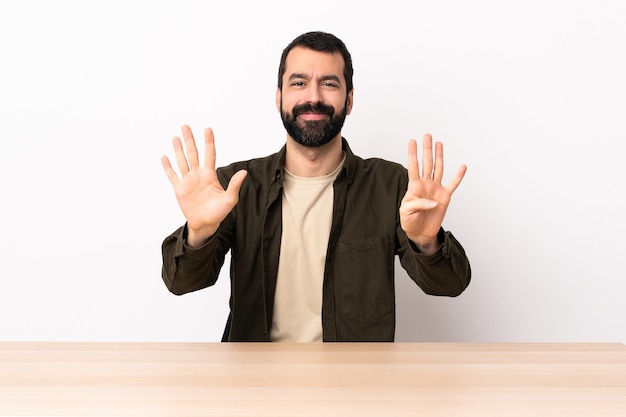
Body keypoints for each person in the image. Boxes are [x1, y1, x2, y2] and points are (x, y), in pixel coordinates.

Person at [160, 31, 471, 342]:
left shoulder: (391, 186)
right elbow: (181, 283)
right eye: (298, 83)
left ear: (349, 100)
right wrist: (198, 233)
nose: (313, 97)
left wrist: (427, 243)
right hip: (255, 383)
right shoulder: (236, 187)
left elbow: (450, 285)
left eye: (329, 83)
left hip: (353, 382)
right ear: (278, 97)